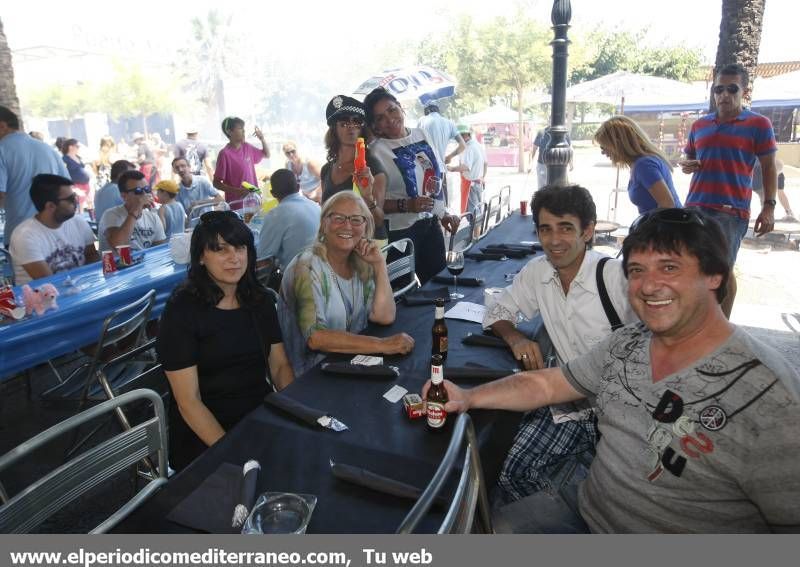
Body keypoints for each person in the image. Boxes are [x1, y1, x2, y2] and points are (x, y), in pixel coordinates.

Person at [425, 207, 800, 533]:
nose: (649, 285)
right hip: (587, 510)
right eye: (637, 270)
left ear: (714, 276)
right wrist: (469, 396)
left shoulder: (770, 396)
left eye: (669, 267)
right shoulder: (630, 342)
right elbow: (548, 385)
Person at [483, 185, 637, 532]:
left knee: (626, 506)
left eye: (566, 227)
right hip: (571, 405)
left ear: (588, 230)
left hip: (622, 415)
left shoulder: (614, 278)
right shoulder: (539, 273)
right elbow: (496, 311)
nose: (554, 240)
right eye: (545, 229)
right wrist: (515, 336)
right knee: (509, 470)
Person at [156, 210, 294, 471]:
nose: (234, 258)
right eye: (220, 250)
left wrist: (296, 412)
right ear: (200, 257)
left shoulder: (260, 300)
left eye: (240, 248)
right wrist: (231, 450)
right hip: (205, 435)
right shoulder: (182, 310)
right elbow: (189, 401)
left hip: (258, 417)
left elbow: (279, 366)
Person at [680, 63, 777, 318]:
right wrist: (687, 165)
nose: (724, 94)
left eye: (732, 89)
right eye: (719, 89)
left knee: (721, 272)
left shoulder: (758, 124)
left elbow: (769, 167)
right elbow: (688, 157)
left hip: (730, 212)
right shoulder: (700, 125)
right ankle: (699, 324)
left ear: (744, 91)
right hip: (695, 207)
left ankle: (721, 329)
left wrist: (769, 207)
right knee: (693, 270)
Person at [280, 191, 414, 375]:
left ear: (365, 226)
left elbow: (384, 316)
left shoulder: (360, 263)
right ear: (323, 225)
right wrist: (382, 344)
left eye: (356, 219)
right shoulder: (305, 267)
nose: (347, 226)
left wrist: (379, 265)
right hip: (311, 378)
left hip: (350, 366)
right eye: (338, 218)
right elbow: (316, 338)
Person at [363, 88, 460, 285]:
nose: (389, 119)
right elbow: (371, 205)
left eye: (391, 110)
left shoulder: (421, 134)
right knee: (403, 294)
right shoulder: (374, 152)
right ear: (375, 125)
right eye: (380, 117)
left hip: (430, 226)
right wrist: (407, 205)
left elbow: (433, 179)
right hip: (400, 234)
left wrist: (443, 213)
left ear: (400, 107)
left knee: (439, 287)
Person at [320, 95, 387, 246]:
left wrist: (367, 197)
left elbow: (377, 220)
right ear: (334, 130)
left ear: (362, 129)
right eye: (343, 123)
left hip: (367, 247)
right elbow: (324, 213)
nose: (351, 127)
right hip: (338, 245)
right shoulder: (326, 170)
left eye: (356, 122)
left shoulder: (372, 167)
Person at [9, 173, 99, 285]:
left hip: (81, 290)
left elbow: (93, 257)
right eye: (71, 199)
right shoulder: (24, 236)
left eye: (75, 196)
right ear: (50, 206)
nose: (76, 201)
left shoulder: (79, 222)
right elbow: (51, 283)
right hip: (44, 299)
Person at [0, 106, 70, 246]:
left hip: (21, 234)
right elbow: (67, 187)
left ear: (2, 126)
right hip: (57, 231)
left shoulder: (1, 150)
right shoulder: (47, 148)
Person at [594, 115, 681, 213]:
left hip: (666, 227)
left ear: (618, 144)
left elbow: (667, 205)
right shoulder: (639, 163)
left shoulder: (644, 165)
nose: (603, 152)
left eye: (604, 147)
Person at [256, 168, 320, 269]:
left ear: (273, 193)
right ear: (298, 187)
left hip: (298, 277)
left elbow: (262, 258)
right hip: (323, 272)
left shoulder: (276, 215)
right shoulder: (316, 207)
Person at [98, 169, 166, 251]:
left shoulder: (153, 217)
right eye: (138, 191)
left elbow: (160, 250)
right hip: (118, 263)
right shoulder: (111, 215)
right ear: (124, 196)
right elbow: (119, 245)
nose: (145, 194)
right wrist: (136, 210)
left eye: (147, 189)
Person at [213, 116, 270, 209]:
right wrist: (238, 191)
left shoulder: (247, 147)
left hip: (255, 201)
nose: (244, 131)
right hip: (237, 205)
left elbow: (266, 154)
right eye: (240, 128)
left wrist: (262, 139)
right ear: (229, 131)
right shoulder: (224, 154)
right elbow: (216, 183)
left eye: (243, 128)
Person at [447, 124, 487, 215]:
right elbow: (486, 163)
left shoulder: (468, 148)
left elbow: (466, 166)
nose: (458, 141)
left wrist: (452, 168)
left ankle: (475, 229)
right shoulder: (478, 145)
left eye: (458, 138)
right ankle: (478, 229)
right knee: (478, 211)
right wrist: (483, 177)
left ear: (464, 135)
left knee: (473, 215)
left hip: (471, 185)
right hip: (478, 182)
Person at [417, 103, 466, 173]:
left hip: (427, 169)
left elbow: (416, 145)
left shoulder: (421, 121)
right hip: (441, 169)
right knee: (443, 183)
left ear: (426, 112)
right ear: (438, 111)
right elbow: (463, 145)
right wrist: (450, 157)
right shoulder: (449, 123)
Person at [752, 158, 797, 222]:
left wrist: (788, 210)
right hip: (753, 178)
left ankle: (788, 212)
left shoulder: (780, 175)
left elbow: (781, 193)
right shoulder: (757, 171)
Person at [93, 159, 135, 225]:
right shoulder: (119, 191)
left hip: (102, 229)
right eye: (131, 175)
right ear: (120, 175)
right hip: (115, 231)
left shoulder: (100, 190)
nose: (134, 178)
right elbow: (135, 211)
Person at [60, 138, 92, 213]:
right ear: (70, 147)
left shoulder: (78, 157)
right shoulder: (65, 159)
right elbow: (64, 172)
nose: (78, 148)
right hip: (76, 185)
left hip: (85, 184)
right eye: (77, 146)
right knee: (76, 206)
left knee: (84, 206)